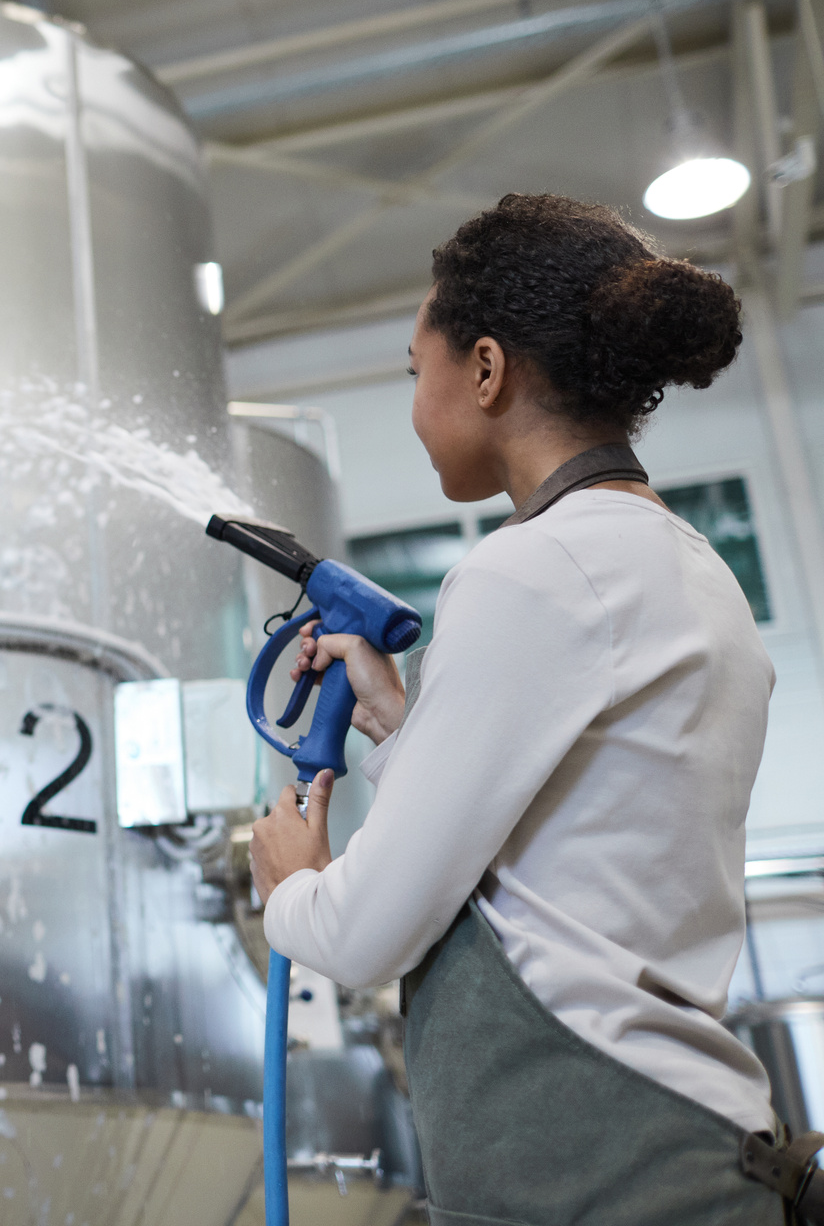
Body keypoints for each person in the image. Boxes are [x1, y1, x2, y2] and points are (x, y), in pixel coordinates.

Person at [247, 194, 796, 1225]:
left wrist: (290, 885)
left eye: (421, 374)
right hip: (678, 1147)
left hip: (596, 1166)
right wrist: (402, 725)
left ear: (487, 370)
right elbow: (561, 872)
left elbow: (365, 934)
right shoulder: (680, 566)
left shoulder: (534, 570)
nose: (416, 406)